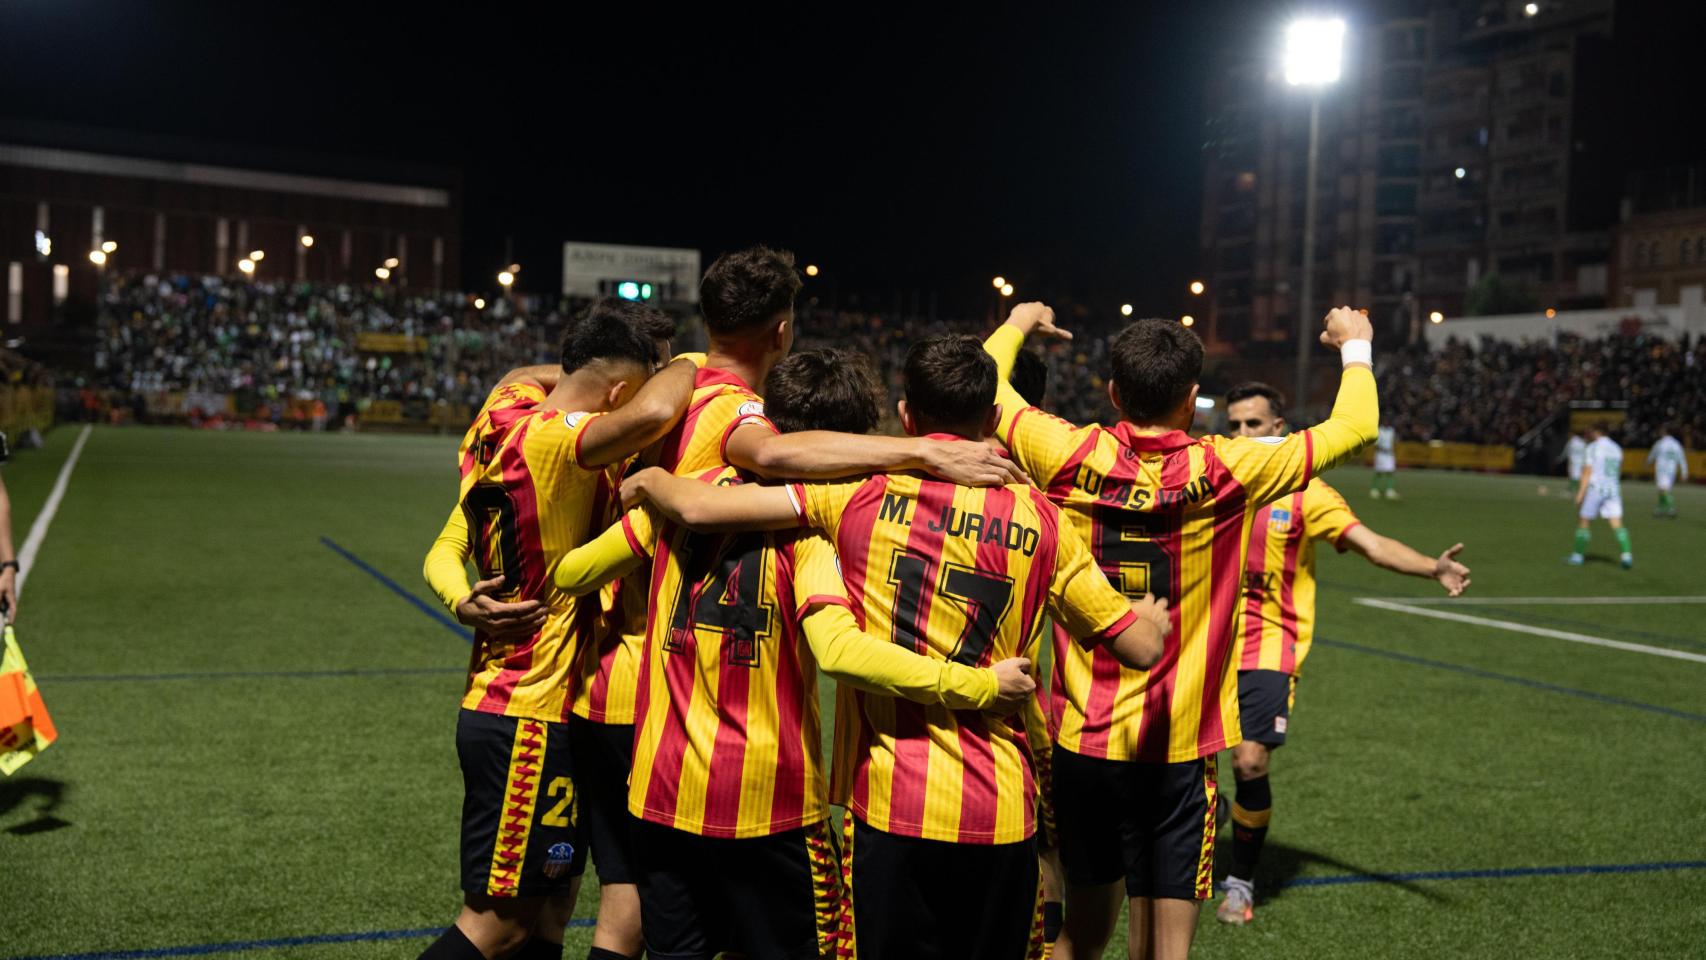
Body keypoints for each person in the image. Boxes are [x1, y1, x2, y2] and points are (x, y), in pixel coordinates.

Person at [621, 335, 1174, 960]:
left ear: (907, 415)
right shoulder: (1046, 521)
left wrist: (651, 481)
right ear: (993, 419)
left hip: (886, 798)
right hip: (998, 805)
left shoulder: (858, 495)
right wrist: (1149, 618)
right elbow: (1137, 648)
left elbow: (702, 504)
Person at [546, 348, 1043, 960]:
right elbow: (838, 649)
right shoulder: (812, 531)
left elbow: (571, 573)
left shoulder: (682, 499)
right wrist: (980, 685)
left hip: (662, 785)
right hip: (771, 794)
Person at [984, 303, 1378, 960]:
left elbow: (988, 383)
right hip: (1180, 744)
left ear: (1112, 392)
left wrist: (1019, 321)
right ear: (1194, 400)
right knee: (1165, 951)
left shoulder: (1062, 449)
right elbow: (1357, 425)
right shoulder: (1234, 467)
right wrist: (1355, 343)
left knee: (1078, 939)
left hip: (1085, 739)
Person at [418, 300, 697, 960]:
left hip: (530, 703)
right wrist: (693, 364)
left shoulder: (503, 410)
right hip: (525, 709)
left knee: (549, 911)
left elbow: (521, 370)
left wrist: (461, 599)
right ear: (622, 391)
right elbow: (654, 413)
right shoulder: (556, 439)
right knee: (499, 924)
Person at [1212, 382, 1472, 925]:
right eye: (1234, 425)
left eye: (1253, 424)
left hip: (1269, 646)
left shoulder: (1308, 494)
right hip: (1204, 640)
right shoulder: (1213, 476)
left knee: (1249, 760)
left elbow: (1371, 545)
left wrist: (1432, 567)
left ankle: (1240, 880)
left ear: (1279, 429)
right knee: (1186, 769)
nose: (1242, 435)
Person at [1569, 422, 1632, 569]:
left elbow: (1587, 472)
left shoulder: (1593, 447)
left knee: (1584, 521)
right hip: (1613, 489)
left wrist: (1580, 493)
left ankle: (1577, 556)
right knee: (1617, 523)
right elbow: (1618, 471)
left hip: (1596, 489)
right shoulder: (1617, 448)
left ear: (1597, 431)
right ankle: (1627, 556)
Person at [1646, 425, 1688, 518]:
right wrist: (1684, 472)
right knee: (1664, 490)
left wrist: (1647, 463)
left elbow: (1652, 454)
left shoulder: (1660, 443)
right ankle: (1659, 509)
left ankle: (1671, 508)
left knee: (1663, 489)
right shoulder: (1676, 444)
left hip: (1662, 469)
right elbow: (1681, 458)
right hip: (1672, 470)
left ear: (1664, 432)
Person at [1370, 423, 1399, 499]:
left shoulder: (1391, 430)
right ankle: (1374, 490)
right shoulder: (1379, 430)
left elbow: (1393, 441)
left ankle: (1390, 491)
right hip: (1381, 455)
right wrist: (1384, 449)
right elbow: (1376, 445)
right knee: (1379, 472)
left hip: (1389, 455)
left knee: (1390, 472)